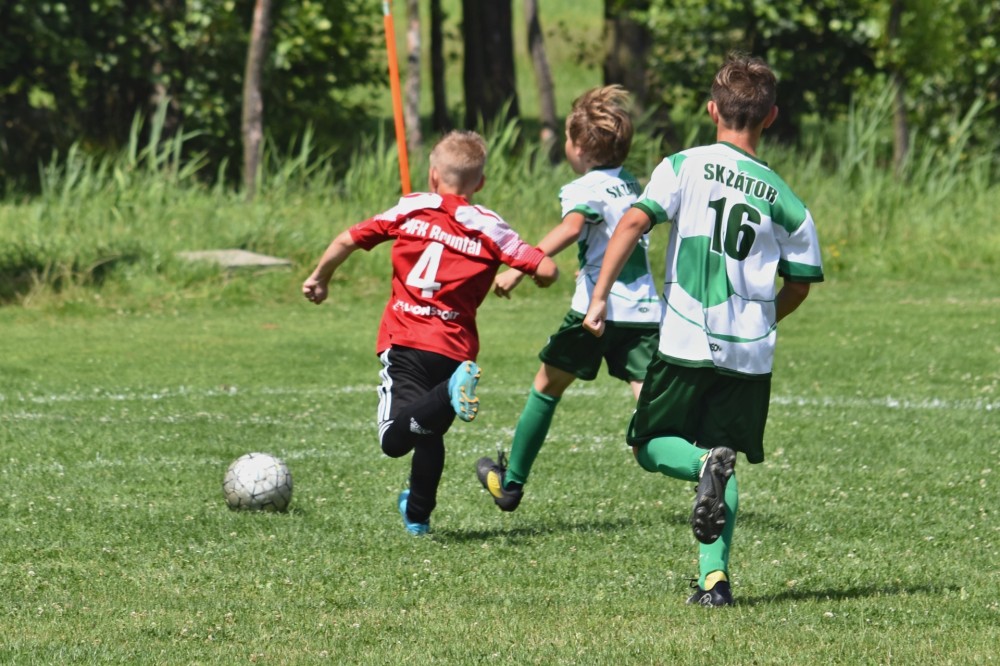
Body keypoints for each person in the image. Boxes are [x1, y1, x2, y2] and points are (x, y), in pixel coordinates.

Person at [582, 53, 824, 606]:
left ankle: (699, 467)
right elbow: (800, 284)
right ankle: (715, 582)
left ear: (712, 110)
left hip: (687, 339)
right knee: (724, 453)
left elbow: (635, 220)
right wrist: (761, 320)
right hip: (748, 355)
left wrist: (599, 297)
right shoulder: (786, 199)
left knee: (648, 445)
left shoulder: (683, 165)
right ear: (771, 117)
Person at [302, 130, 559, 536]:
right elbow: (547, 268)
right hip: (454, 349)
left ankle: (448, 393)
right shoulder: (490, 226)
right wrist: (538, 277)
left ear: (433, 175)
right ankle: (418, 515)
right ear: (480, 183)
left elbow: (348, 238)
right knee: (428, 430)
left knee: (393, 440)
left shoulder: (412, 209)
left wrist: (320, 277)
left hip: (406, 342)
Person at [475, 85, 661, 512]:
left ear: (578, 148)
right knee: (647, 398)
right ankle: (699, 466)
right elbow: (618, 236)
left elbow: (573, 228)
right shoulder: (632, 184)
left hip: (594, 311)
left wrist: (520, 268)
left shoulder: (583, 187)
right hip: (643, 310)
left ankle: (511, 483)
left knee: (547, 387)